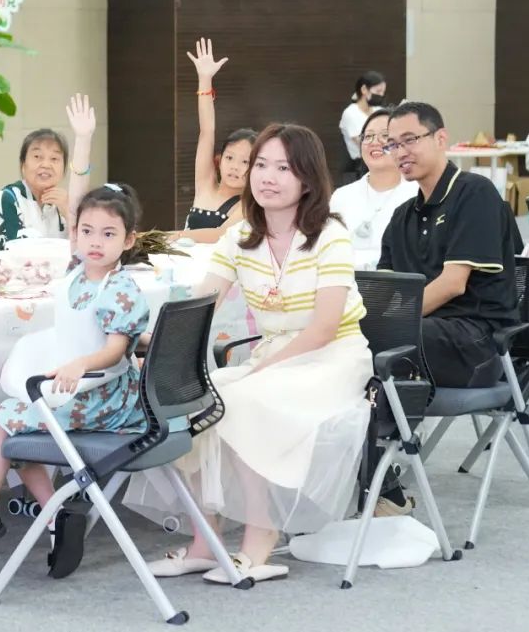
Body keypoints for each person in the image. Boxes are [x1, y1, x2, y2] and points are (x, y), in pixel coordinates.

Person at [131, 124, 373, 584]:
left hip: (334, 356)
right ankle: (205, 542)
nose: (267, 177)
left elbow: (324, 327)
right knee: (191, 402)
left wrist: (259, 370)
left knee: (240, 400)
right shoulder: (240, 236)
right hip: (274, 355)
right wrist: (155, 348)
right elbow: (198, 309)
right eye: (261, 165)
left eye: (283, 168)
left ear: (307, 178)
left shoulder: (330, 235)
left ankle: (260, 540)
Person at [0, 103, 150, 577]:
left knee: (6, 425)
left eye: (108, 234)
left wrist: (80, 365)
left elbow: (116, 350)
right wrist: (83, 140)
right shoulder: (77, 269)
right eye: (86, 231)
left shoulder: (119, 287)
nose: (94, 241)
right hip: (74, 389)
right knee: (12, 429)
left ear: (129, 240)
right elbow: (80, 204)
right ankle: (54, 517)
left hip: (102, 396)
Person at [374, 101, 520, 516]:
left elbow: (454, 283)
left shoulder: (474, 194)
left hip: (477, 345)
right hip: (427, 339)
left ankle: (380, 479)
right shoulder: (402, 216)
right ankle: (372, 474)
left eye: (410, 140)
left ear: (441, 138)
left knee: (381, 345)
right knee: (353, 346)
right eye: (392, 144)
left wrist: (387, 325)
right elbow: (386, 292)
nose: (400, 152)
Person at [180, 38, 256, 241]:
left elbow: (219, 235)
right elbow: (207, 131)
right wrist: (204, 78)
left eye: (245, 162)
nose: (235, 167)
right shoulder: (205, 184)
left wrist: (171, 236)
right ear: (219, 160)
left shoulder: (248, 204)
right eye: (229, 158)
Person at [330, 108, 417, 269]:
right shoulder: (341, 196)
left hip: (399, 281)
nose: (375, 142)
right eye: (368, 136)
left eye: (385, 135)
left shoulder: (417, 194)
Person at [0, 128, 69, 251]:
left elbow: (82, 250)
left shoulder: (64, 202)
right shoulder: (9, 198)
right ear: (23, 165)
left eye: (54, 159)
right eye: (37, 156)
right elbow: (15, 252)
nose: (46, 165)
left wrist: (69, 213)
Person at [338, 71, 386, 180]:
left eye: (383, 92)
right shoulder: (350, 113)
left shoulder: (379, 110)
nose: (381, 95)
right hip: (359, 168)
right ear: (364, 89)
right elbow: (361, 141)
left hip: (379, 163)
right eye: (378, 91)